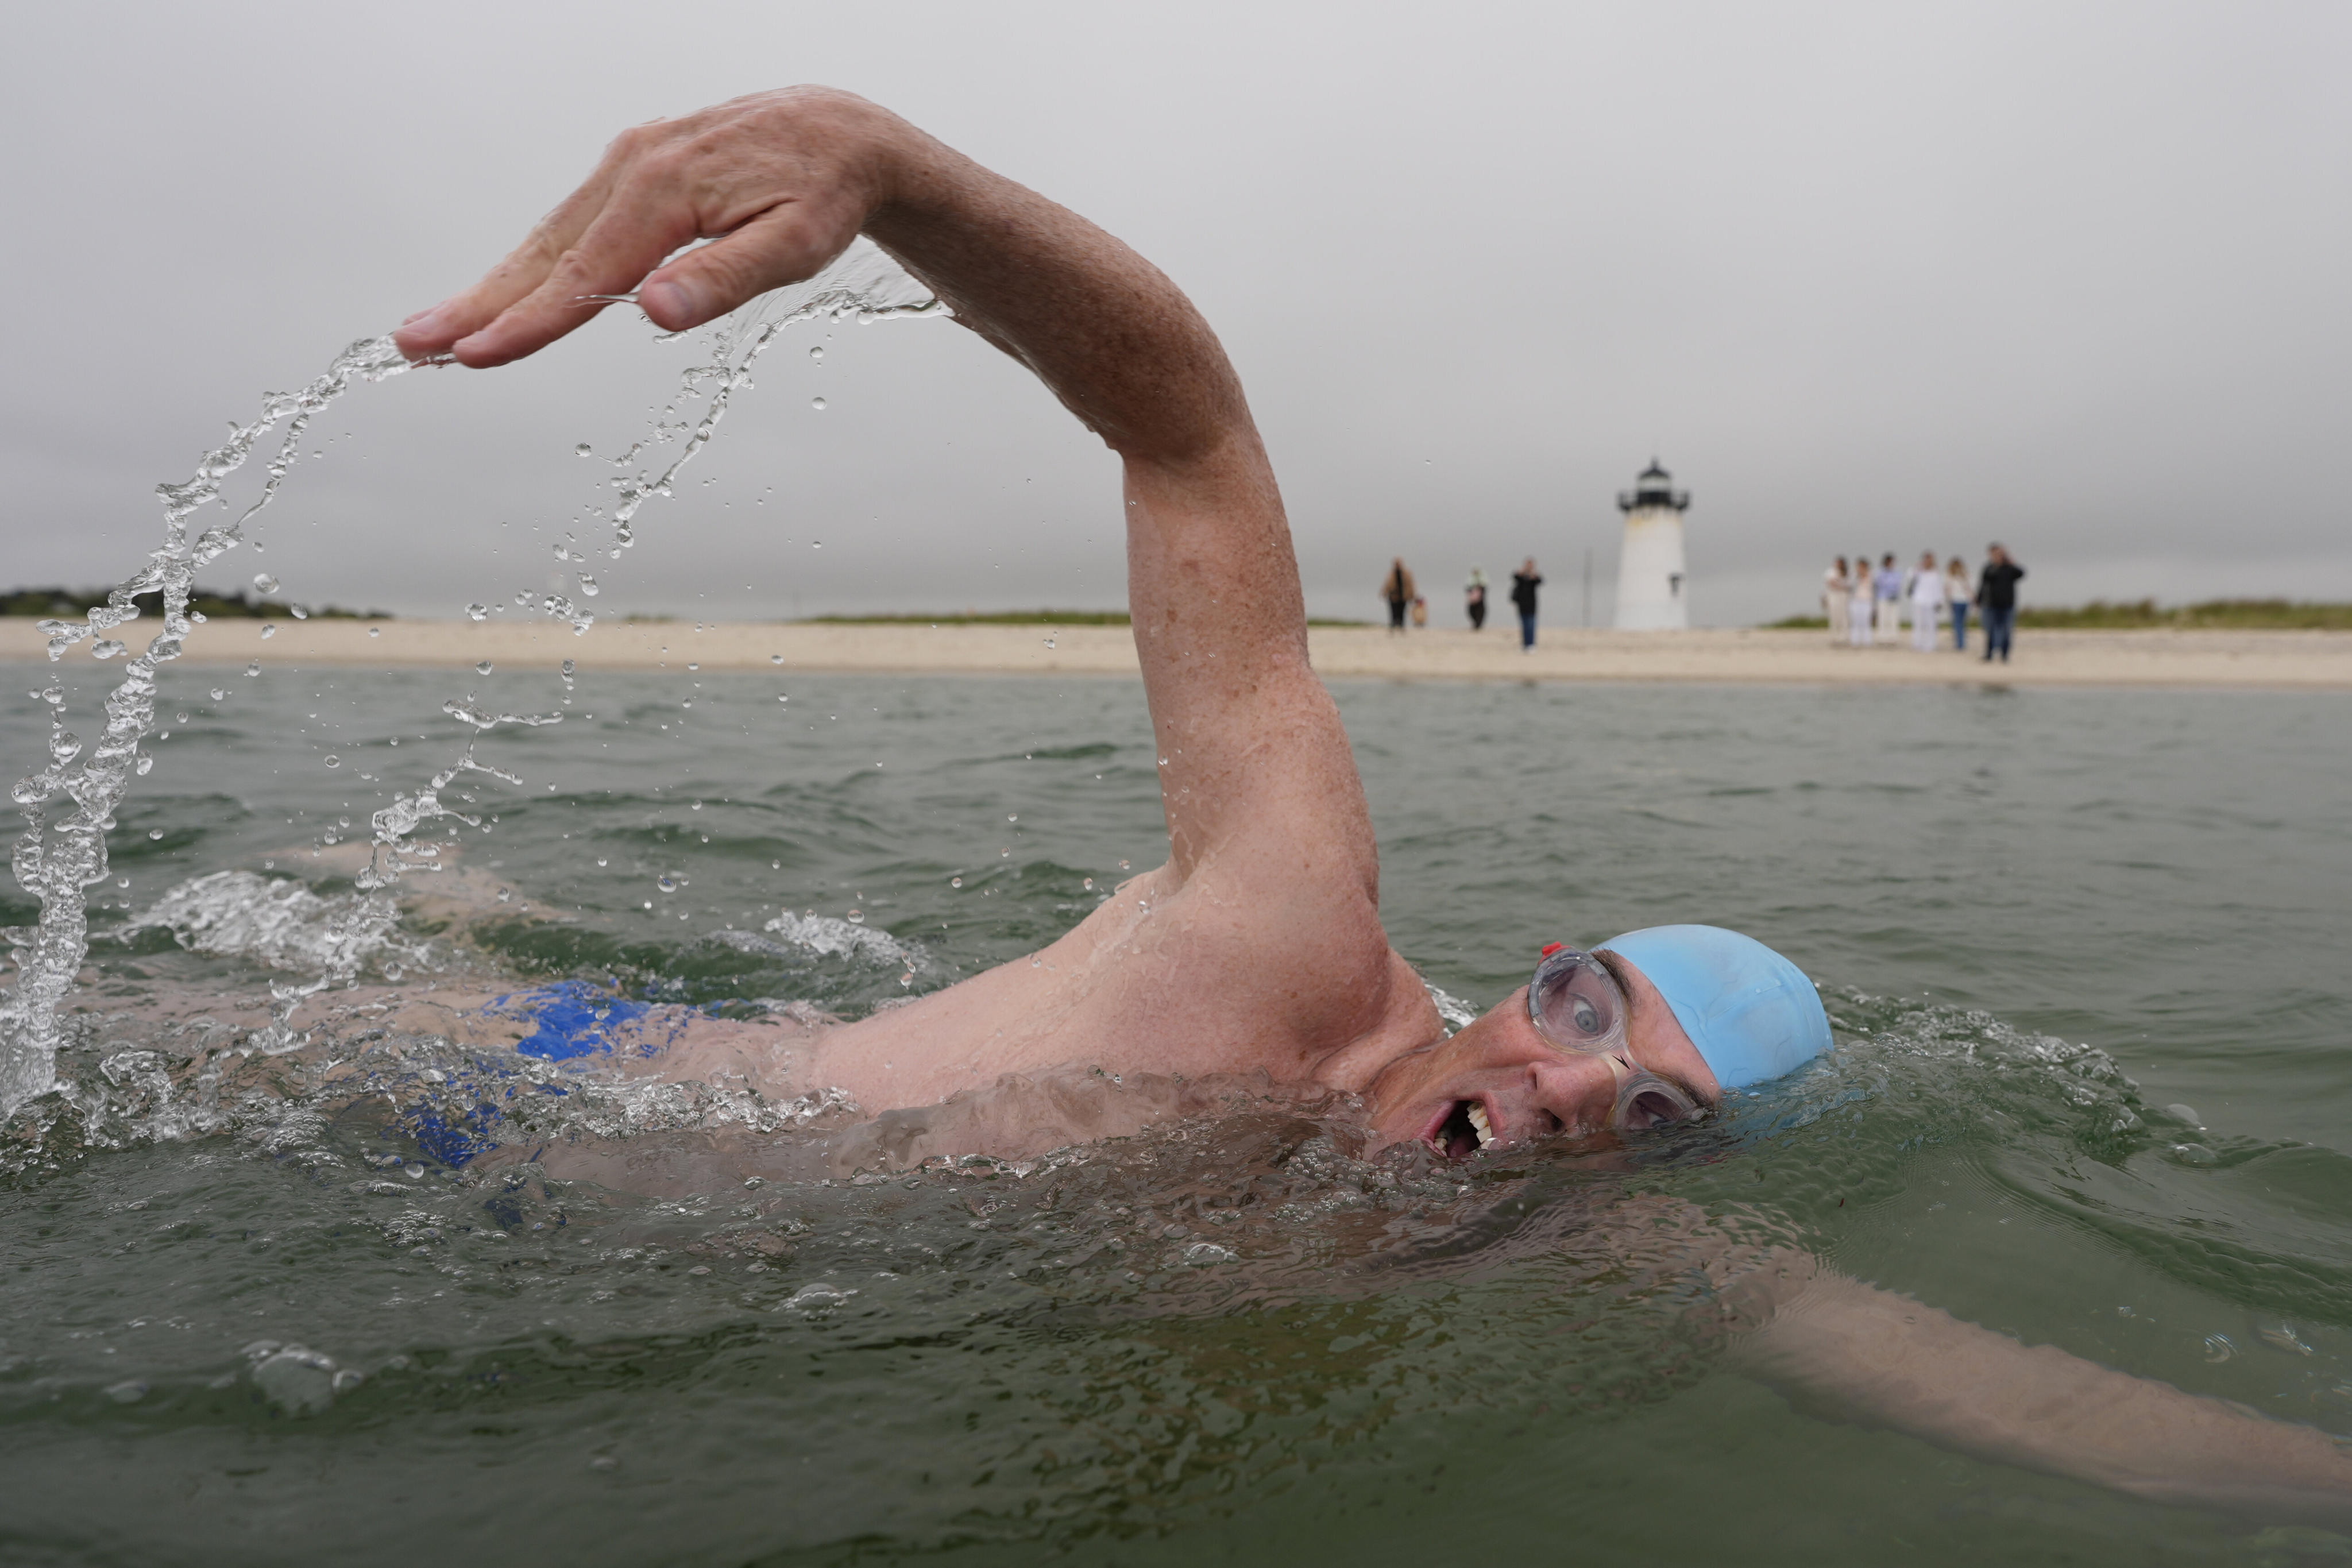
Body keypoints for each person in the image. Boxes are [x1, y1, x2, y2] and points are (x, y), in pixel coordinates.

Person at [392, 88, 2352, 1525]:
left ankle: (463, 897)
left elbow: (2010, 1396)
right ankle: (442, 922)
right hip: (530, 1089)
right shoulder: (1290, 942)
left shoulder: (1565, 1240)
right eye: (1594, 1022)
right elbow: (1185, 432)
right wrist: (890, 173)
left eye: (1652, 1114)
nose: (1585, 1094)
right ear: (1537, 977)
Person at [1978, 542, 2026, 662]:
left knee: (2007, 630)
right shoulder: (1989, 568)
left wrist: (2011, 563)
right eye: (1996, 554)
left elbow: (2021, 574)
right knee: (1991, 630)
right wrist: (1979, 599)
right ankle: (1989, 654)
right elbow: (1985, 582)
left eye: (2001, 553)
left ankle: (2005, 655)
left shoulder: (2010, 568)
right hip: (1991, 604)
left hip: (2008, 605)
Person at [1906, 550, 1943, 652]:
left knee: (1931, 624)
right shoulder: (1918, 571)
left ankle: (1930, 645)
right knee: (1918, 623)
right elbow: (1909, 575)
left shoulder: (1936, 573)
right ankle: (1917, 643)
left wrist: (1940, 601)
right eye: (1926, 559)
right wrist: (1919, 567)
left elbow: (1939, 589)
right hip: (1918, 601)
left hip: (1931, 603)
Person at [1509, 558, 1542, 650]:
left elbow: (1540, 581)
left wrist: (1532, 574)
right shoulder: (1521, 576)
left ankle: (1531, 644)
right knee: (1524, 625)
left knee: (1531, 625)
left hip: (1532, 605)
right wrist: (1523, 571)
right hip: (1522, 604)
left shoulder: (1534, 577)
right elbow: (1514, 577)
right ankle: (1525, 644)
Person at [1847, 551, 1875, 647]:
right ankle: (1855, 641)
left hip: (1867, 601)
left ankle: (1867, 641)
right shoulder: (1853, 575)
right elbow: (1850, 586)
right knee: (1855, 622)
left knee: (1866, 622)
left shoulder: (1871, 575)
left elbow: (1872, 586)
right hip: (1856, 600)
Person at [1873, 551, 1903, 642]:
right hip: (1883, 598)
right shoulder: (1880, 572)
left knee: (1893, 618)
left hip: (1894, 599)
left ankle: (1893, 638)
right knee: (1883, 618)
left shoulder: (1897, 572)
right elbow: (1879, 584)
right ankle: (1883, 638)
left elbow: (1898, 584)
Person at [1380, 557, 1415, 634]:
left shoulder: (1406, 574)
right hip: (1393, 596)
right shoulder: (1392, 574)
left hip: (1403, 596)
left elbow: (1410, 585)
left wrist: (1412, 595)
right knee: (1393, 612)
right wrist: (1384, 593)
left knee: (1402, 612)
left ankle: (1401, 626)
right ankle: (1393, 625)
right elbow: (1387, 585)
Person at [1944, 554, 1972, 651]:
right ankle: (1962, 642)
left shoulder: (1950, 576)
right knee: (1963, 622)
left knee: (1958, 623)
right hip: (1965, 601)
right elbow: (1969, 589)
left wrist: (1948, 601)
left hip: (1956, 601)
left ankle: (1960, 643)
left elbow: (1948, 590)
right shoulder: (1965, 575)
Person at [1822, 556, 1850, 646]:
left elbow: (1849, 585)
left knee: (1844, 617)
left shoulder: (1847, 572)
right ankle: (1834, 637)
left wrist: (1841, 585)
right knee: (1834, 617)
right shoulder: (1830, 572)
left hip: (1843, 597)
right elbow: (1831, 583)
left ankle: (1844, 637)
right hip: (1833, 596)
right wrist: (1841, 586)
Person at [1465, 566, 1488, 631]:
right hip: (1472, 600)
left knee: (1480, 612)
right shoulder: (1471, 579)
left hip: (1480, 600)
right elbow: (1468, 587)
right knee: (1471, 612)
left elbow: (1485, 586)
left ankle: (1478, 625)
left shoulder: (1483, 578)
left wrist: (1480, 592)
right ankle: (1476, 624)